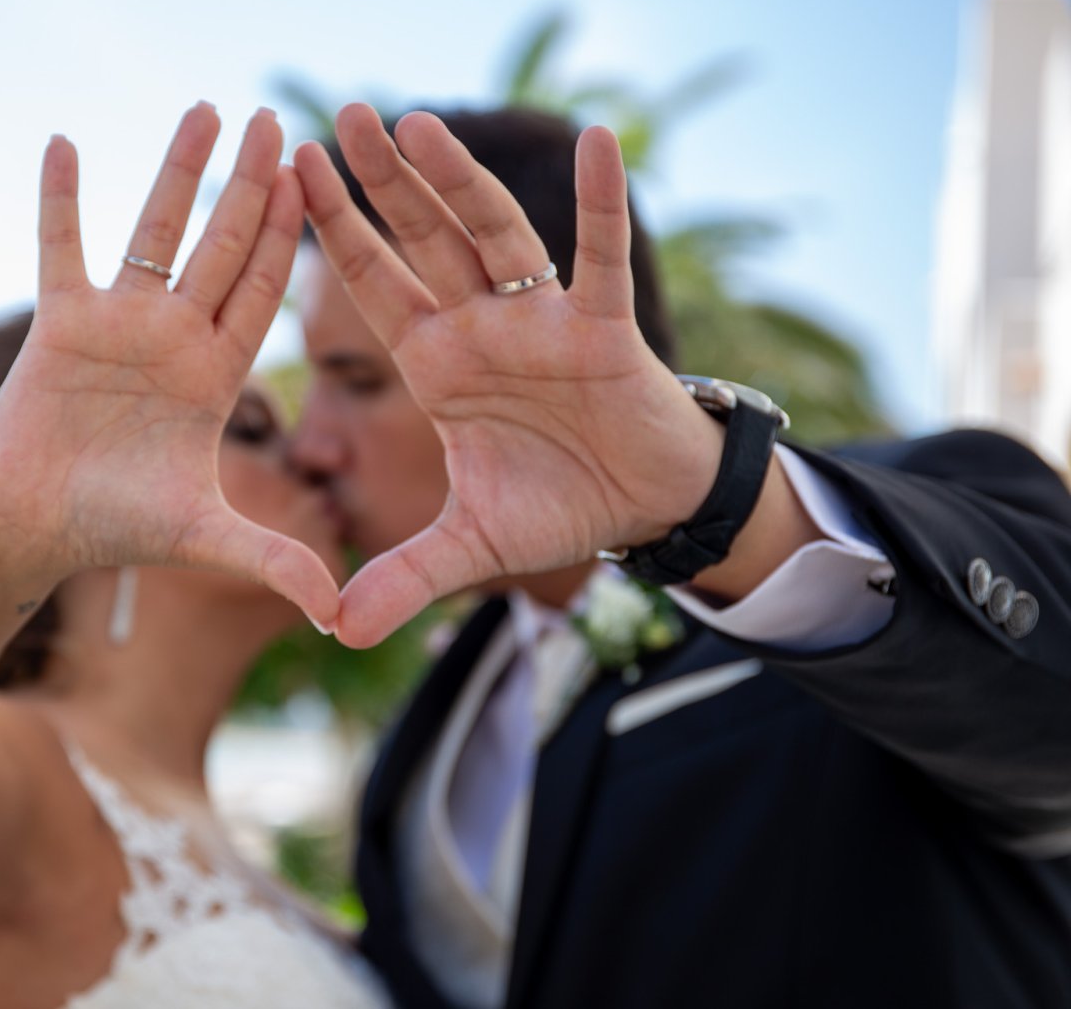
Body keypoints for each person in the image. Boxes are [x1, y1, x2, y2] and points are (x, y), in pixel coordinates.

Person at [287, 102, 1071, 1008]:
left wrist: (715, 501)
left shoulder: (862, 544)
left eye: (355, 380)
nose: (312, 444)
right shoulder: (426, 731)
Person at [0, 103, 390, 1009]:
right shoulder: (17, 780)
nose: (312, 455)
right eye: (250, 428)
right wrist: (3, 526)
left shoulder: (203, 825)